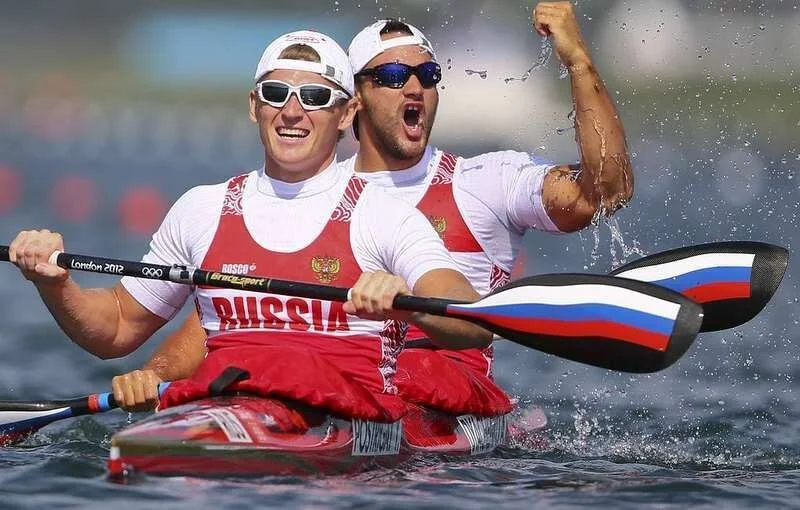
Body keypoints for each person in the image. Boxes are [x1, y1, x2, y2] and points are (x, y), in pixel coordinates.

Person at [113, 1, 633, 415]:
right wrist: (156, 378)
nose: (414, 86)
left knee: (406, 374)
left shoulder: (485, 183)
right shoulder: (308, 196)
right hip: (322, 391)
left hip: (441, 399)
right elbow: (226, 317)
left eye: (427, 73)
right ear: (354, 100)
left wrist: (578, 61)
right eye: (392, 76)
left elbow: (605, 192)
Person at [8, 30, 493, 422]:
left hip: (343, 430)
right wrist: (55, 284)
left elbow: (472, 321)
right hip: (226, 411)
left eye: (315, 97)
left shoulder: (383, 213)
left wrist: (407, 301)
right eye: (276, 94)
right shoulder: (202, 209)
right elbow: (115, 328)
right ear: (253, 106)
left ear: (347, 114)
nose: (292, 112)